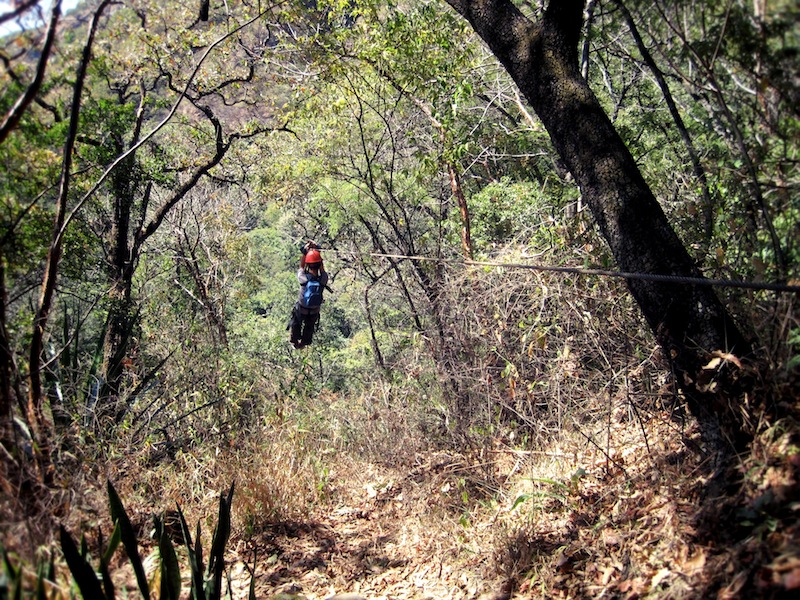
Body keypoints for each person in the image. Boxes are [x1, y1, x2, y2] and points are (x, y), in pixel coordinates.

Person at [288, 241, 329, 348]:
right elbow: (322, 269)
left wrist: (305, 252)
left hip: (302, 307)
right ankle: (305, 342)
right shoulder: (323, 279)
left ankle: (294, 340)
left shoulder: (303, 278)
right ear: (319, 264)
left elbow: (301, 267)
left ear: (308, 264)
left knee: (296, 322)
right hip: (315, 309)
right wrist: (316, 254)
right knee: (309, 326)